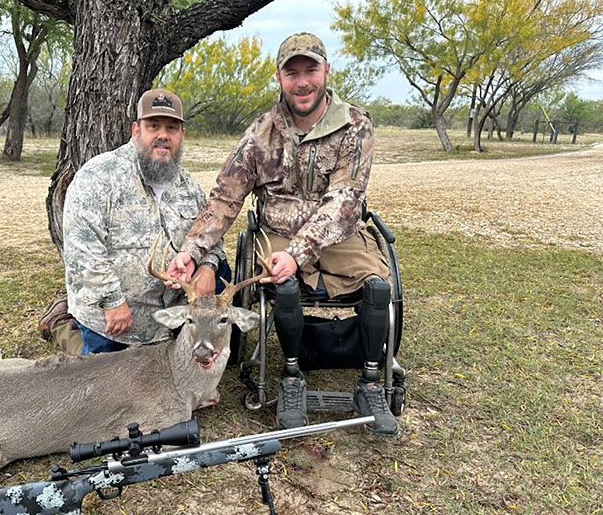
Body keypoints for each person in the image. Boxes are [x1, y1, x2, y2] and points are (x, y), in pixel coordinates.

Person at [166, 33, 396, 436]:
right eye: (293, 73)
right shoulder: (260, 134)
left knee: (379, 287)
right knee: (282, 281)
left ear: (327, 71)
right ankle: (290, 378)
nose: (302, 82)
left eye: (310, 70)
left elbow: (345, 199)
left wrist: (300, 250)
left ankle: (371, 381)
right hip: (275, 232)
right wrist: (191, 249)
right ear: (280, 78)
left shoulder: (355, 125)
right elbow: (225, 197)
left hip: (339, 235)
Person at [41, 88, 228, 354]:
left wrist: (207, 267)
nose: (163, 135)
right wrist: (112, 301)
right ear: (136, 130)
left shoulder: (190, 187)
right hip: (113, 320)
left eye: (172, 128)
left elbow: (212, 238)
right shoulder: (98, 177)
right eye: (153, 126)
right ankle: (60, 324)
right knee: (103, 385)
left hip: (170, 318)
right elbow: (81, 249)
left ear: (181, 135)